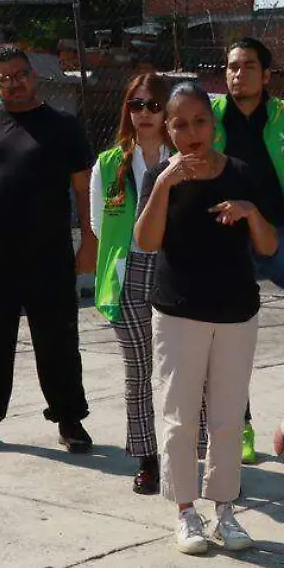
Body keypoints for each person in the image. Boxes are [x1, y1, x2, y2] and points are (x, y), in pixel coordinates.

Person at [136, 82, 279, 554]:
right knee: (178, 416)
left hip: (236, 311)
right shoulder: (160, 175)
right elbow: (146, 240)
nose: (191, 131)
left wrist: (249, 212)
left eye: (200, 121)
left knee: (227, 416)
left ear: (213, 125)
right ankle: (185, 513)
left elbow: (269, 245)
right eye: (179, 123)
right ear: (167, 128)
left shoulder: (241, 172)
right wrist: (164, 184)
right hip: (178, 311)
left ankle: (224, 510)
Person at [0, 46, 97, 456]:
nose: (14, 82)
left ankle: (69, 420)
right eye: (5, 77)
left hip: (49, 256)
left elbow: (84, 190)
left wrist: (90, 240)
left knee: (57, 341)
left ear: (34, 75)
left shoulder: (63, 126)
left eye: (20, 74)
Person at [213, 36, 284, 462]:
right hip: (228, 240)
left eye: (247, 67)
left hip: (278, 234)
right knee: (235, 331)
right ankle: (240, 424)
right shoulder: (213, 116)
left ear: (266, 75)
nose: (237, 74)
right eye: (231, 67)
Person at [92, 73, 173, 494]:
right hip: (126, 277)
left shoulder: (182, 159)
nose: (144, 114)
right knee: (138, 371)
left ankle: (188, 454)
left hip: (173, 273)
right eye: (136, 105)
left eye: (153, 106)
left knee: (180, 372)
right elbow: (96, 222)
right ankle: (147, 457)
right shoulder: (108, 164)